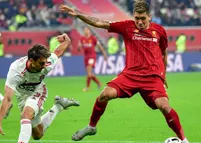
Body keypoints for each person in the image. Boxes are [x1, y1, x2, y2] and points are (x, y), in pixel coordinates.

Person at [60, 0, 189, 142]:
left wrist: (163, 75)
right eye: (137, 18)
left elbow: (164, 52)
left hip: (152, 78)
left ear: (149, 17)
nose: (139, 22)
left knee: (164, 106)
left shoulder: (159, 31)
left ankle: (183, 139)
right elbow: (99, 22)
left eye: (143, 19)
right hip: (130, 76)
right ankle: (91, 127)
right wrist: (78, 14)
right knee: (104, 95)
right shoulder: (126, 26)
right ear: (133, 16)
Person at [0, 34, 80, 143]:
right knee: (37, 134)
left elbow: (57, 52)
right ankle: (58, 106)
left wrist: (67, 41)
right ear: (31, 60)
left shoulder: (47, 64)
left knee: (25, 115)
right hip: (21, 96)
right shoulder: (16, 70)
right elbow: (7, 99)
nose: (44, 65)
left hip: (38, 91)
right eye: (41, 63)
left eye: (45, 62)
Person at [79, 26, 107, 92]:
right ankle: (99, 83)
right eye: (85, 30)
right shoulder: (82, 39)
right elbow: (79, 48)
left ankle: (87, 87)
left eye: (87, 30)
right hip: (86, 57)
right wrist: (79, 47)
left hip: (92, 56)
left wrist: (104, 54)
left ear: (89, 31)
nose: (86, 31)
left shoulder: (93, 38)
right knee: (90, 73)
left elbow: (100, 47)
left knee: (89, 73)